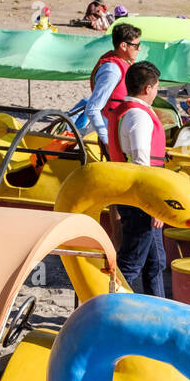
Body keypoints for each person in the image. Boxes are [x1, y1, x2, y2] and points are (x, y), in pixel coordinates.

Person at [107, 60, 167, 296]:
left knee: (155, 262)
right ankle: (112, 309)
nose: (157, 91)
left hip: (134, 196)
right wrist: (154, 205)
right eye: (156, 87)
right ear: (147, 89)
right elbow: (141, 160)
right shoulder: (138, 116)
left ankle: (158, 308)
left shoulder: (125, 111)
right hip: (140, 199)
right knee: (132, 263)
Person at [77, 21, 143, 154]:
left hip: (118, 129)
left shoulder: (124, 63)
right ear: (123, 46)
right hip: (108, 131)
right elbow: (92, 108)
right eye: (136, 45)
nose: (139, 49)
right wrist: (107, 140)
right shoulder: (112, 70)